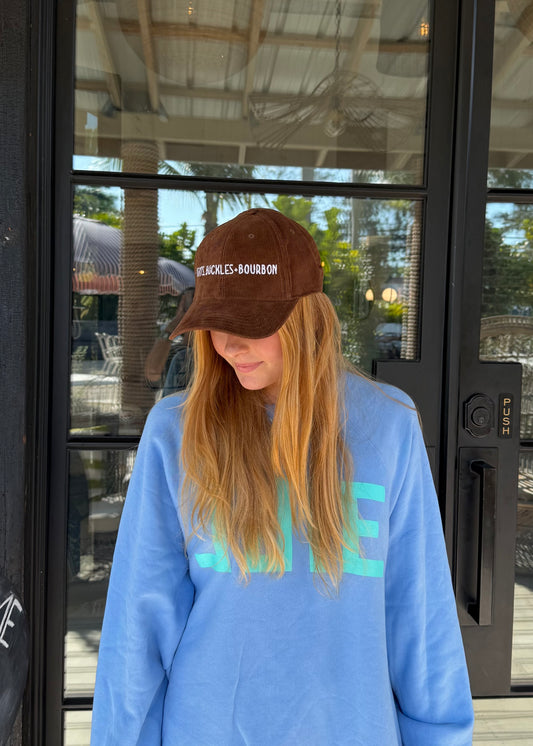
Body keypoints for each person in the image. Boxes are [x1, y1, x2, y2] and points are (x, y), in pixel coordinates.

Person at [91, 208, 474, 745]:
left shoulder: (388, 424)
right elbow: (138, 621)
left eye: (250, 323)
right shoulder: (175, 432)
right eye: (214, 323)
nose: (228, 345)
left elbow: (420, 611)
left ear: (306, 317)